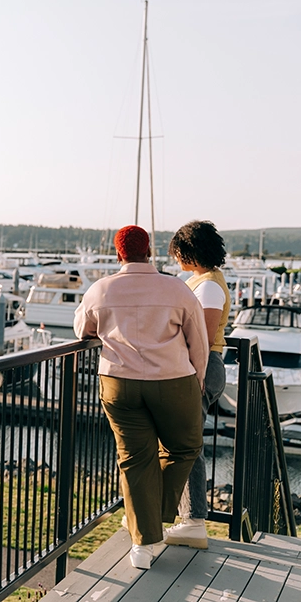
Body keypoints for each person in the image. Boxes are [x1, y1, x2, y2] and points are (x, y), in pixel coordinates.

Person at [74, 225, 209, 570]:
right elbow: (199, 341)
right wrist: (199, 379)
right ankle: (154, 518)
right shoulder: (176, 288)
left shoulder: (100, 290)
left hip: (118, 381)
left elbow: (82, 330)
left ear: (119, 254)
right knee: (186, 446)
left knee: (134, 458)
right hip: (173, 378)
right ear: (148, 251)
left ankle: (143, 538)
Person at [165, 220, 230, 549]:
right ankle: (184, 517)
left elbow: (200, 339)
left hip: (201, 368)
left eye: (178, 252)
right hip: (201, 367)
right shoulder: (203, 281)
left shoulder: (207, 286)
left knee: (188, 445)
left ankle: (192, 521)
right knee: (185, 442)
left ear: (190, 251)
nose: (176, 258)